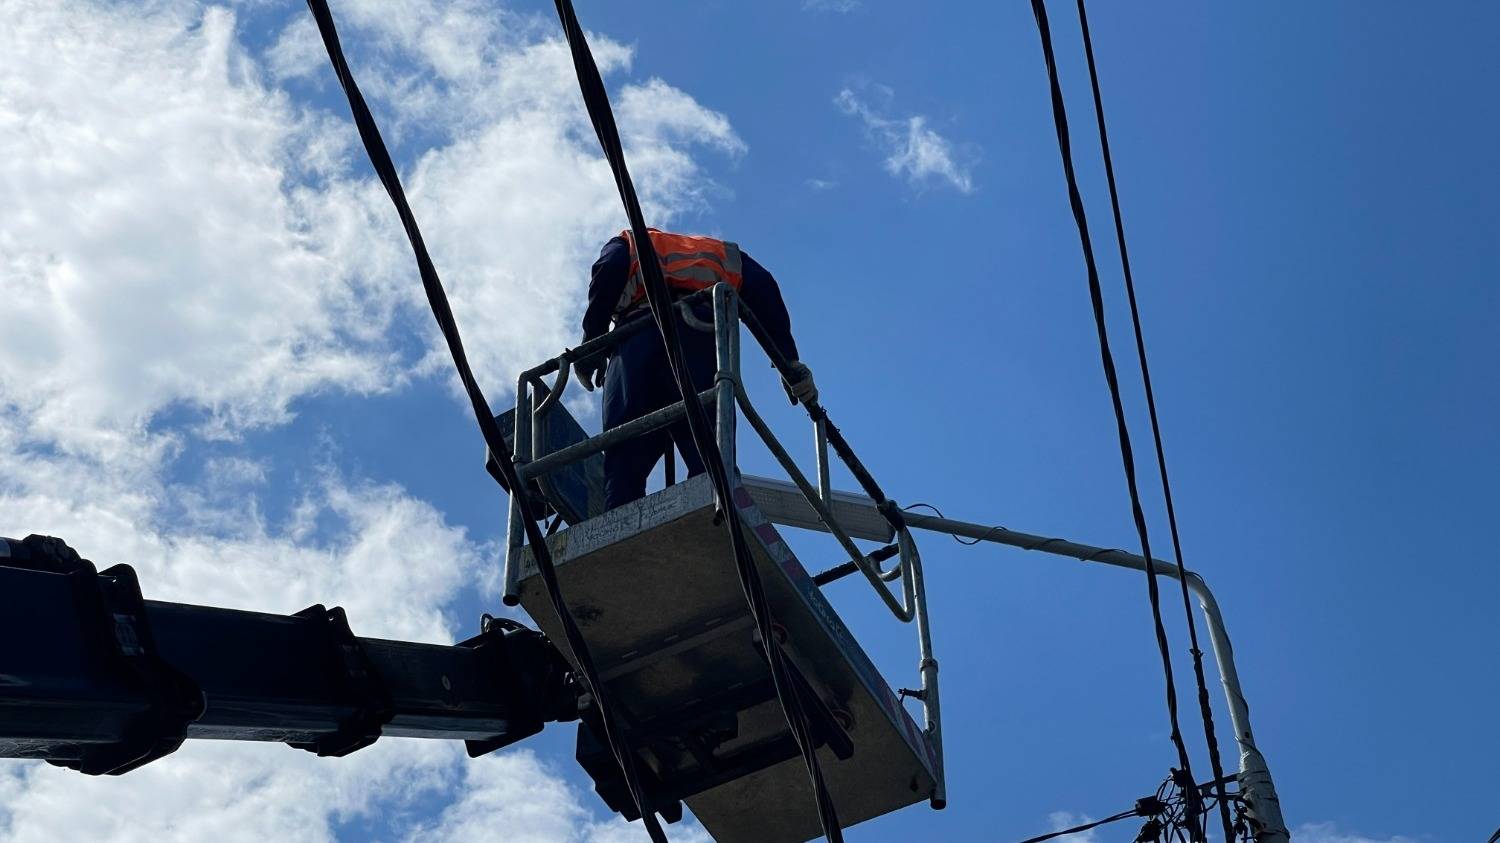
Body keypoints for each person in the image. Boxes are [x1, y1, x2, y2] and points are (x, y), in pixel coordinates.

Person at [576, 228, 816, 510]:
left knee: (625, 457)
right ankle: (719, 509)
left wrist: (591, 345)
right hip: (699, 335)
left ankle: (618, 521)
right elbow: (762, 286)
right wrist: (788, 361)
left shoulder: (628, 241)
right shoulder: (722, 254)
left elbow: (611, 266)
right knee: (709, 451)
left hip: (636, 342)